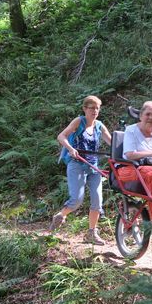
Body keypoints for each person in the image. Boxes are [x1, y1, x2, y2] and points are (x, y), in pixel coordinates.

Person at [49, 95, 112, 245]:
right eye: (91, 108)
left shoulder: (99, 125)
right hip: (76, 164)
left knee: (97, 200)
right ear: (84, 109)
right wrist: (70, 149)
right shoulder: (79, 122)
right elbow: (61, 136)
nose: (95, 111)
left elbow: (112, 142)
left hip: (93, 166)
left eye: (97, 108)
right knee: (76, 199)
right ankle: (60, 215)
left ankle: (91, 233)